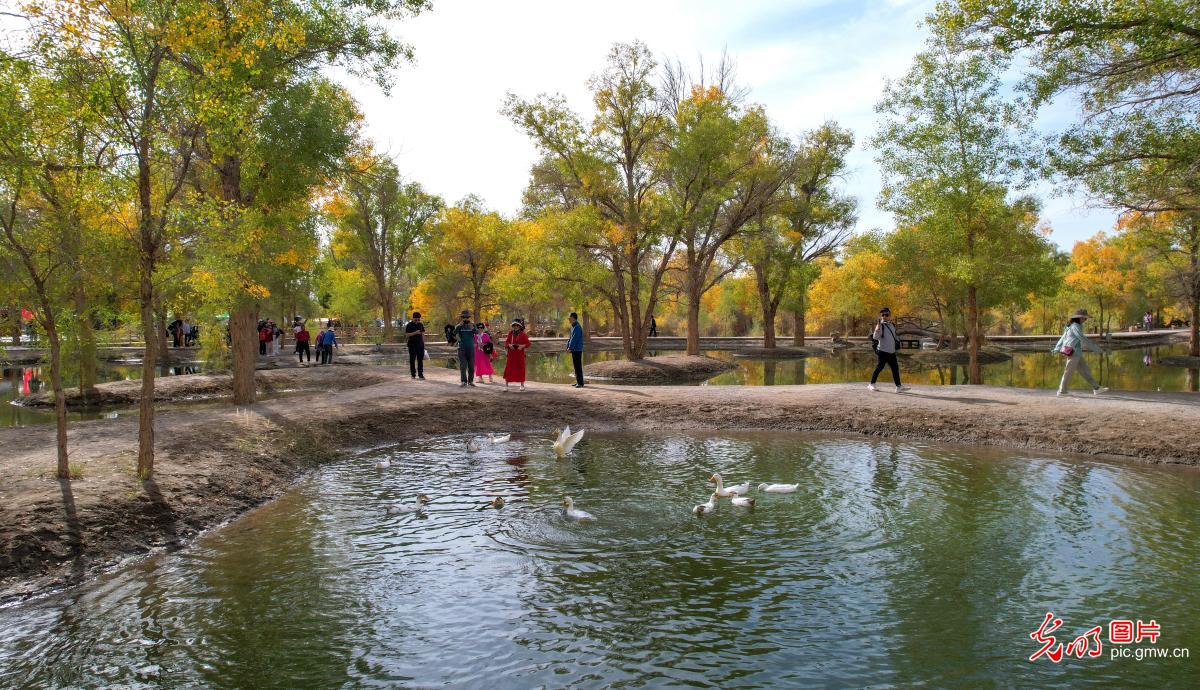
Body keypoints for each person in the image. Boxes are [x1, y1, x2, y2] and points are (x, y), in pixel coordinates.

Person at [1053, 308, 1108, 397]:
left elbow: (1063, 338)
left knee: (1085, 371)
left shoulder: (1071, 326)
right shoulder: (1075, 326)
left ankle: (1096, 388)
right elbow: (1081, 338)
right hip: (1073, 353)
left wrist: (1057, 348)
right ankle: (1062, 391)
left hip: (1076, 353)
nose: (1085, 320)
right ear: (1079, 318)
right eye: (1084, 318)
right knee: (1068, 372)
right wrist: (1096, 349)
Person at [868, 307, 909, 393]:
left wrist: (898, 341)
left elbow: (894, 336)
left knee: (895, 368)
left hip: (891, 351)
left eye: (886, 315)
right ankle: (871, 384)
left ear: (889, 315)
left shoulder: (892, 325)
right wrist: (878, 328)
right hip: (882, 351)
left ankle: (898, 387)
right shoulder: (880, 325)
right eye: (883, 315)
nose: (884, 316)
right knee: (879, 367)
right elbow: (875, 337)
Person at [503, 320, 531, 391]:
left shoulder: (523, 334)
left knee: (521, 368)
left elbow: (528, 344)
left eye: (517, 325)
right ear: (512, 326)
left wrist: (522, 346)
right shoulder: (510, 333)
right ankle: (506, 386)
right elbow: (506, 342)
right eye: (514, 325)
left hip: (519, 355)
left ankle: (522, 385)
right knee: (508, 369)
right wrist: (509, 345)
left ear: (520, 326)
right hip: (511, 355)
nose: (515, 327)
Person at [455, 310, 478, 387]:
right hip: (462, 348)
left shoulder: (472, 325)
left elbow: (477, 332)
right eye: (464, 317)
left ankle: (470, 381)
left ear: (469, 318)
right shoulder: (459, 325)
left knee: (471, 366)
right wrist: (459, 326)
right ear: (462, 318)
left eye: (467, 317)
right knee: (463, 365)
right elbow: (454, 333)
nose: (466, 319)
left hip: (471, 348)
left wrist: (473, 328)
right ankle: (463, 381)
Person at [406, 311, 427, 379]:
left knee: (420, 360)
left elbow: (423, 334)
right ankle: (413, 374)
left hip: (420, 345)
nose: (417, 320)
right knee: (412, 360)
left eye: (419, 319)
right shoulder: (409, 325)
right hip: (412, 345)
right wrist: (415, 333)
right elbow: (407, 334)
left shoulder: (420, 324)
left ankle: (420, 374)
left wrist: (424, 344)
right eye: (416, 319)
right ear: (413, 318)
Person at [566, 312, 585, 388]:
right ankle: (578, 382)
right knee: (576, 366)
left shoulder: (577, 327)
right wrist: (567, 346)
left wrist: (570, 348)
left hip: (577, 349)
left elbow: (574, 339)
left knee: (578, 366)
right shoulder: (573, 326)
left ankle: (580, 383)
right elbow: (570, 338)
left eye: (569, 318)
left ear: (573, 318)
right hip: (574, 349)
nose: (568, 319)